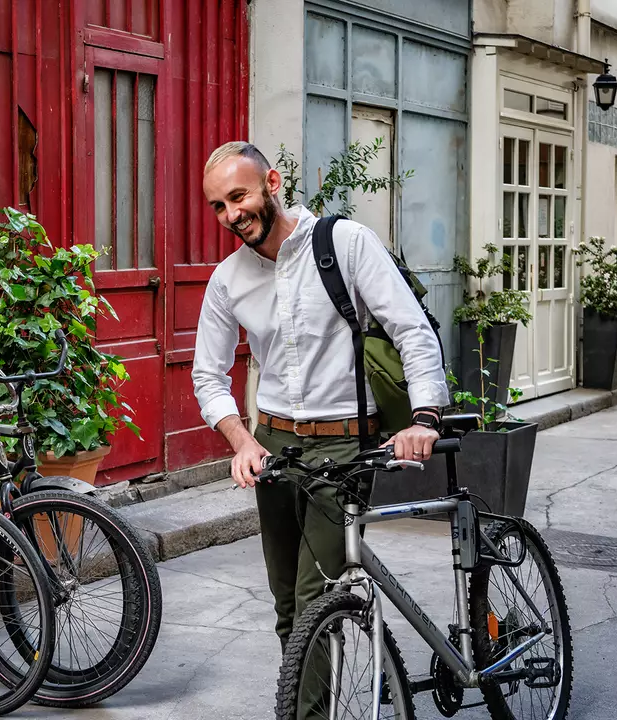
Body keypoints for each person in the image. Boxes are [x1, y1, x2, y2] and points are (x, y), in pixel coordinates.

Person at [191, 141, 450, 649]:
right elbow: (207, 374)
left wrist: (424, 418)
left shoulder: (346, 243)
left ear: (272, 183)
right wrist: (241, 440)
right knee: (288, 608)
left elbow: (411, 330)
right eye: (218, 205)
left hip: (344, 447)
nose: (231, 215)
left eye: (238, 196)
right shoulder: (229, 279)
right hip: (273, 448)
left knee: (315, 605)